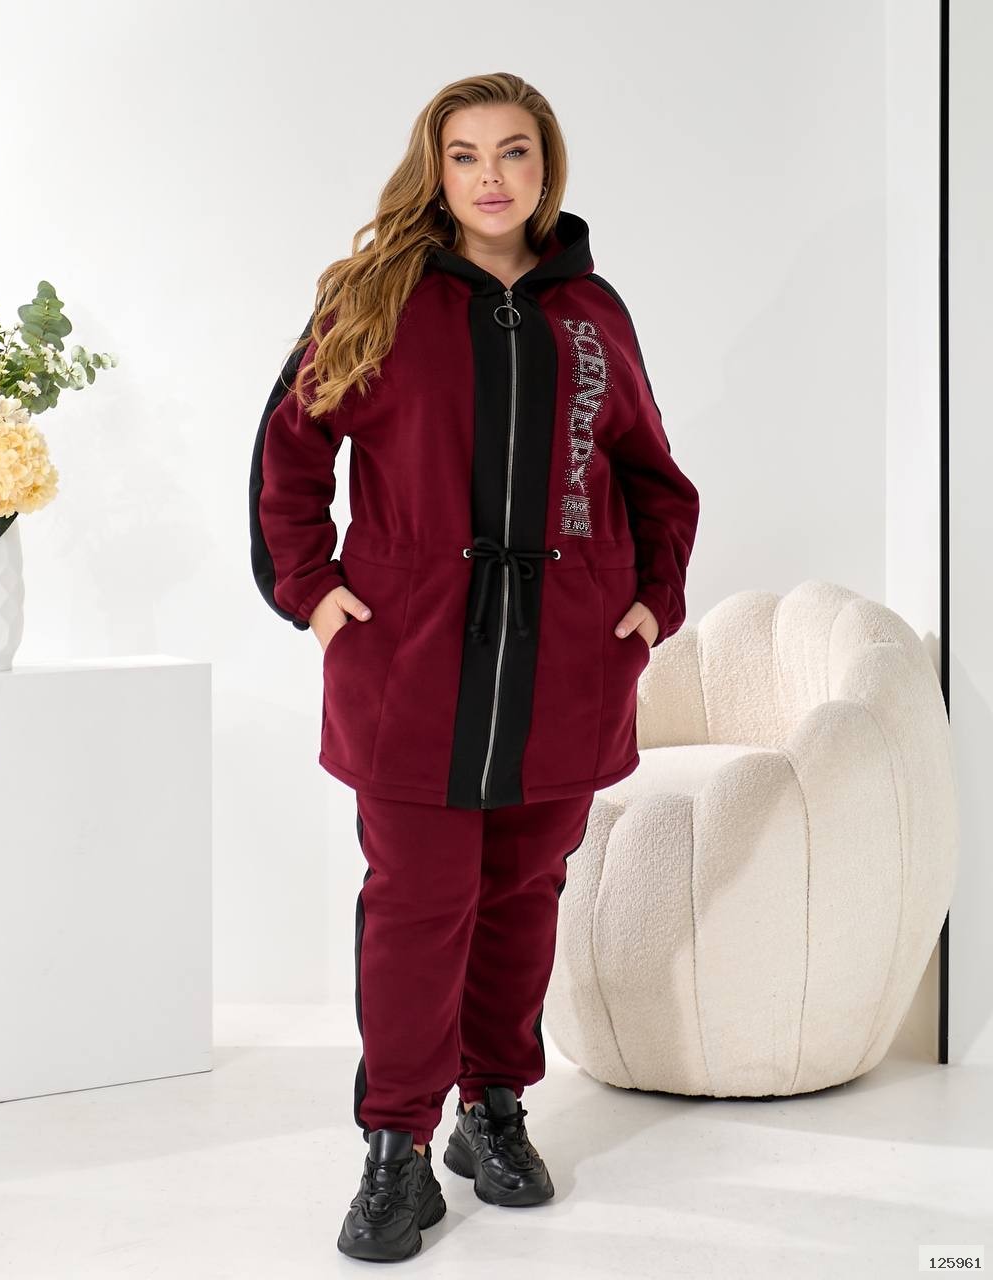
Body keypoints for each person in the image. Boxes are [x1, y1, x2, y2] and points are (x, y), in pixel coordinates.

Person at [249, 71, 700, 1263]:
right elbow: (288, 453)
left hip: (564, 660)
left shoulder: (591, 312)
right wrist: (313, 590)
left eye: (513, 151)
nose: (491, 176)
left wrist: (651, 602)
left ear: (546, 167)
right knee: (416, 902)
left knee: (521, 894)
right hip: (409, 659)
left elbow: (653, 474)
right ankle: (393, 1147)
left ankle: (492, 1107)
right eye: (465, 154)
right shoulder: (375, 297)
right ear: (435, 170)